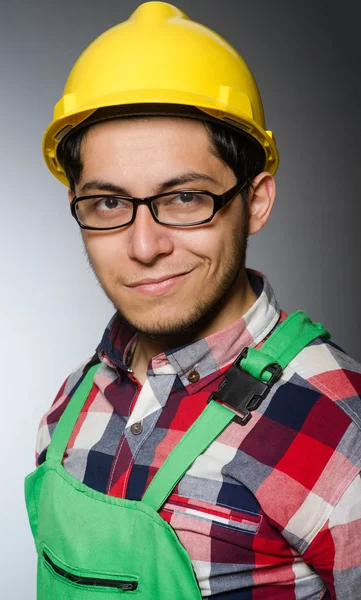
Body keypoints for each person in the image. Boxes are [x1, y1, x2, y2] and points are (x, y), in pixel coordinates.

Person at [25, 2, 361, 598]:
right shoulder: (73, 402)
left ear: (255, 200)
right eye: (108, 203)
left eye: (183, 198)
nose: (144, 245)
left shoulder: (338, 425)